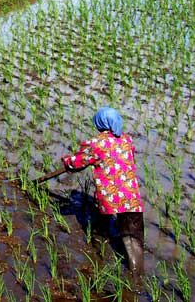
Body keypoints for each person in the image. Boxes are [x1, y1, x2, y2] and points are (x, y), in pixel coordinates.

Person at [61, 107, 145, 289]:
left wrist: (67, 161)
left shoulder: (94, 144)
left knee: (100, 229)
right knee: (133, 237)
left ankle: (98, 259)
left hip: (108, 200)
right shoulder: (127, 140)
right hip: (132, 199)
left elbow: (77, 163)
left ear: (99, 123)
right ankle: (136, 275)